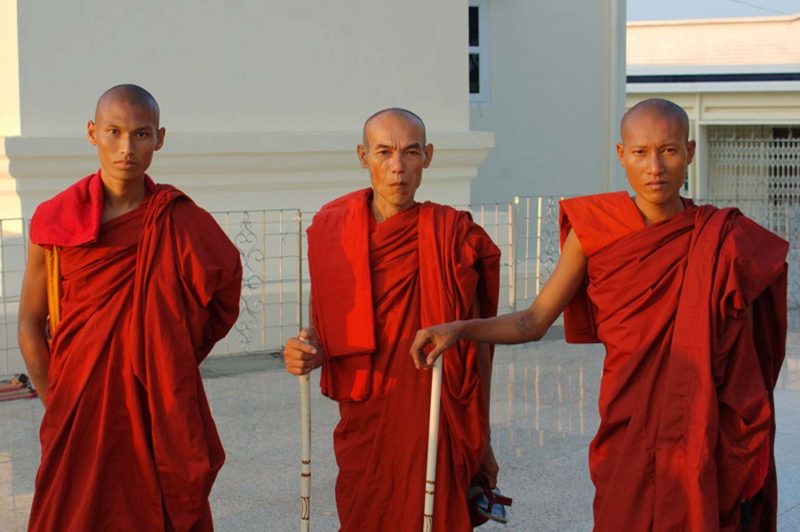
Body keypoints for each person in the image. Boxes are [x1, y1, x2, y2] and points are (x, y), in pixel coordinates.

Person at [411, 98, 789, 531]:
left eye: (668, 150)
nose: (655, 167)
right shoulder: (596, 229)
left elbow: (757, 349)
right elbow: (534, 320)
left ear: (689, 151)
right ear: (621, 155)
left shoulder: (724, 239)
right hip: (627, 422)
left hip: (702, 425)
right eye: (641, 152)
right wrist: (459, 328)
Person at [18, 84, 242, 531]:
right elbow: (29, 321)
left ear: (160, 138)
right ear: (92, 133)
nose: (126, 148)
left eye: (140, 135)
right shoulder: (56, 220)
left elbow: (224, 294)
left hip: (156, 403)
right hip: (77, 404)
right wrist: (55, 400)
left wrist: (170, 353)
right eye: (114, 132)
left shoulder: (177, 220)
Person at [283, 108, 506, 531]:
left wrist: (485, 439)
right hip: (367, 410)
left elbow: (478, 349)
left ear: (429, 156)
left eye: (411, 152)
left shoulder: (453, 234)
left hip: (434, 410)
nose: (397, 167)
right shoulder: (334, 230)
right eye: (384, 152)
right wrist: (305, 349)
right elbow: (325, 325)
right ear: (362, 155)